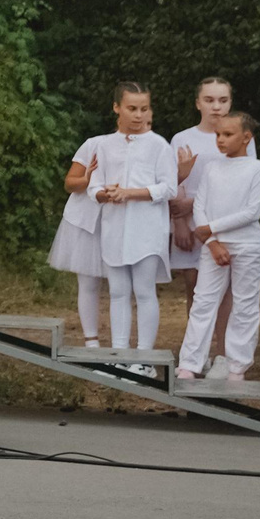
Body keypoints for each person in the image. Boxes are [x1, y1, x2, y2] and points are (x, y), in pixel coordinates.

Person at [167, 78, 254, 363]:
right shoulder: (182, 138)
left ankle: (223, 354)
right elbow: (174, 182)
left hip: (225, 222)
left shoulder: (241, 137)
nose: (216, 107)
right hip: (189, 226)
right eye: (209, 100)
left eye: (223, 100)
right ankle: (197, 354)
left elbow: (245, 181)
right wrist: (180, 223)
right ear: (197, 103)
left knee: (225, 290)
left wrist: (196, 204)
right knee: (195, 289)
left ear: (230, 102)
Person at [178, 113, 260, 383]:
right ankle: (190, 364)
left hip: (247, 245)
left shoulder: (258, 168)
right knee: (203, 301)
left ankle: (236, 366)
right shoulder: (211, 168)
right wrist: (212, 241)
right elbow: (200, 204)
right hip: (213, 246)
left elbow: (252, 211)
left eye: (228, 135)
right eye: (218, 134)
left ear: (246, 137)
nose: (220, 140)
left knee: (245, 304)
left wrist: (210, 228)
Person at [89, 82, 177, 352]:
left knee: (144, 290)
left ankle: (145, 357)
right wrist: (106, 193)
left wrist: (130, 193)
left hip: (147, 228)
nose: (138, 115)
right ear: (117, 108)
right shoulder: (105, 145)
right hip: (114, 228)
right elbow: (94, 185)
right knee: (117, 291)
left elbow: (169, 188)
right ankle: (120, 354)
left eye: (144, 109)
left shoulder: (158, 145)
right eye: (132, 109)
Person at [48, 132, 110, 347]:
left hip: (120, 221)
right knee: (88, 281)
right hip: (86, 220)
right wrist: (86, 179)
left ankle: (124, 346)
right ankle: (91, 341)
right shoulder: (94, 143)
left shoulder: (148, 147)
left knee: (124, 285)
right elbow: (70, 182)